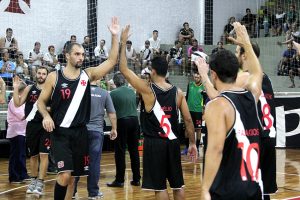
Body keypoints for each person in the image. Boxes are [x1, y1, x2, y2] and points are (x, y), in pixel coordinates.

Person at [37, 17, 120, 200]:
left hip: (81, 133)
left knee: (74, 178)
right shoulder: (54, 77)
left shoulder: (87, 75)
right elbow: (40, 103)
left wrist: (114, 36)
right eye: (77, 54)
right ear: (67, 55)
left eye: (82, 54)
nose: (81, 57)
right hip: (61, 133)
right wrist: (46, 116)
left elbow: (112, 60)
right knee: (65, 175)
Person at [119, 25, 197, 200]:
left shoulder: (147, 90)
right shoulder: (178, 92)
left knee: (160, 187)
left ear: (152, 71)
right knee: (178, 185)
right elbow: (188, 120)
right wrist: (192, 143)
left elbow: (124, 69)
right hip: (173, 142)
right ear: (167, 70)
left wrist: (123, 42)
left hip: (155, 144)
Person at [196, 22, 264, 200]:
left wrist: (204, 189)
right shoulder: (252, 95)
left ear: (214, 74)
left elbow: (216, 150)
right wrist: (246, 43)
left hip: (228, 191)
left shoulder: (217, 106)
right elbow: (258, 73)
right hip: (253, 188)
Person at [73, 79, 117, 199]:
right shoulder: (104, 93)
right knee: (94, 163)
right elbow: (111, 113)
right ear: (98, 79)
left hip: (80, 131)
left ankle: (72, 192)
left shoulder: (79, 91)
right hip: (96, 132)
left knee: (76, 161)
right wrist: (114, 129)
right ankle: (93, 193)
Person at [12, 66, 50, 196]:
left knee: (44, 154)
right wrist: (16, 88)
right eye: (39, 73)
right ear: (36, 74)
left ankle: (40, 182)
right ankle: (33, 180)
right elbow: (17, 103)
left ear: (47, 76)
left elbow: (54, 107)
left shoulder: (50, 89)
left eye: (43, 74)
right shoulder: (29, 88)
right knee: (33, 155)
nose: (41, 75)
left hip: (45, 126)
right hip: (31, 126)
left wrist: (45, 109)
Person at [106, 72, 141, 187]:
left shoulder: (113, 93)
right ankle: (136, 179)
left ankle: (120, 180)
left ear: (115, 82)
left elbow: (111, 111)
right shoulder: (132, 91)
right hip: (135, 121)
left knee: (120, 151)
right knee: (134, 151)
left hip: (122, 121)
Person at [6, 80, 30, 183]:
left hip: (22, 131)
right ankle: (14, 176)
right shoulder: (14, 101)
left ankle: (23, 175)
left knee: (22, 154)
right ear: (22, 91)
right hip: (16, 132)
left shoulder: (22, 101)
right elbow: (22, 116)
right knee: (16, 155)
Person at [181, 72, 205, 155]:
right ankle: (187, 148)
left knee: (198, 130)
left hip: (198, 111)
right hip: (189, 111)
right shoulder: (190, 85)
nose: (196, 79)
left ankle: (197, 148)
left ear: (201, 77)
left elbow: (205, 100)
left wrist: (204, 111)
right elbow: (186, 97)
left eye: (198, 77)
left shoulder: (203, 87)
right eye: (195, 77)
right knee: (187, 129)